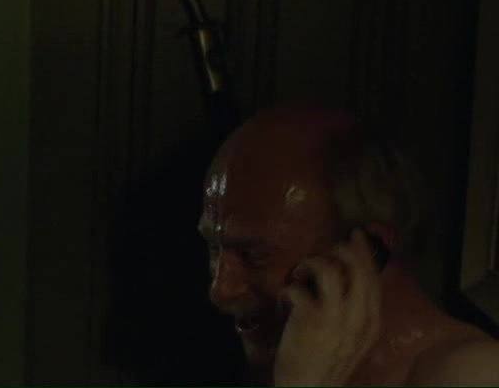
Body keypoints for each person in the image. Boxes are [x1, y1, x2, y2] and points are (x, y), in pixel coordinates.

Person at [199, 107, 499, 386]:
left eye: (255, 256)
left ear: (369, 249)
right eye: (214, 249)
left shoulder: (473, 374)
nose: (220, 291)